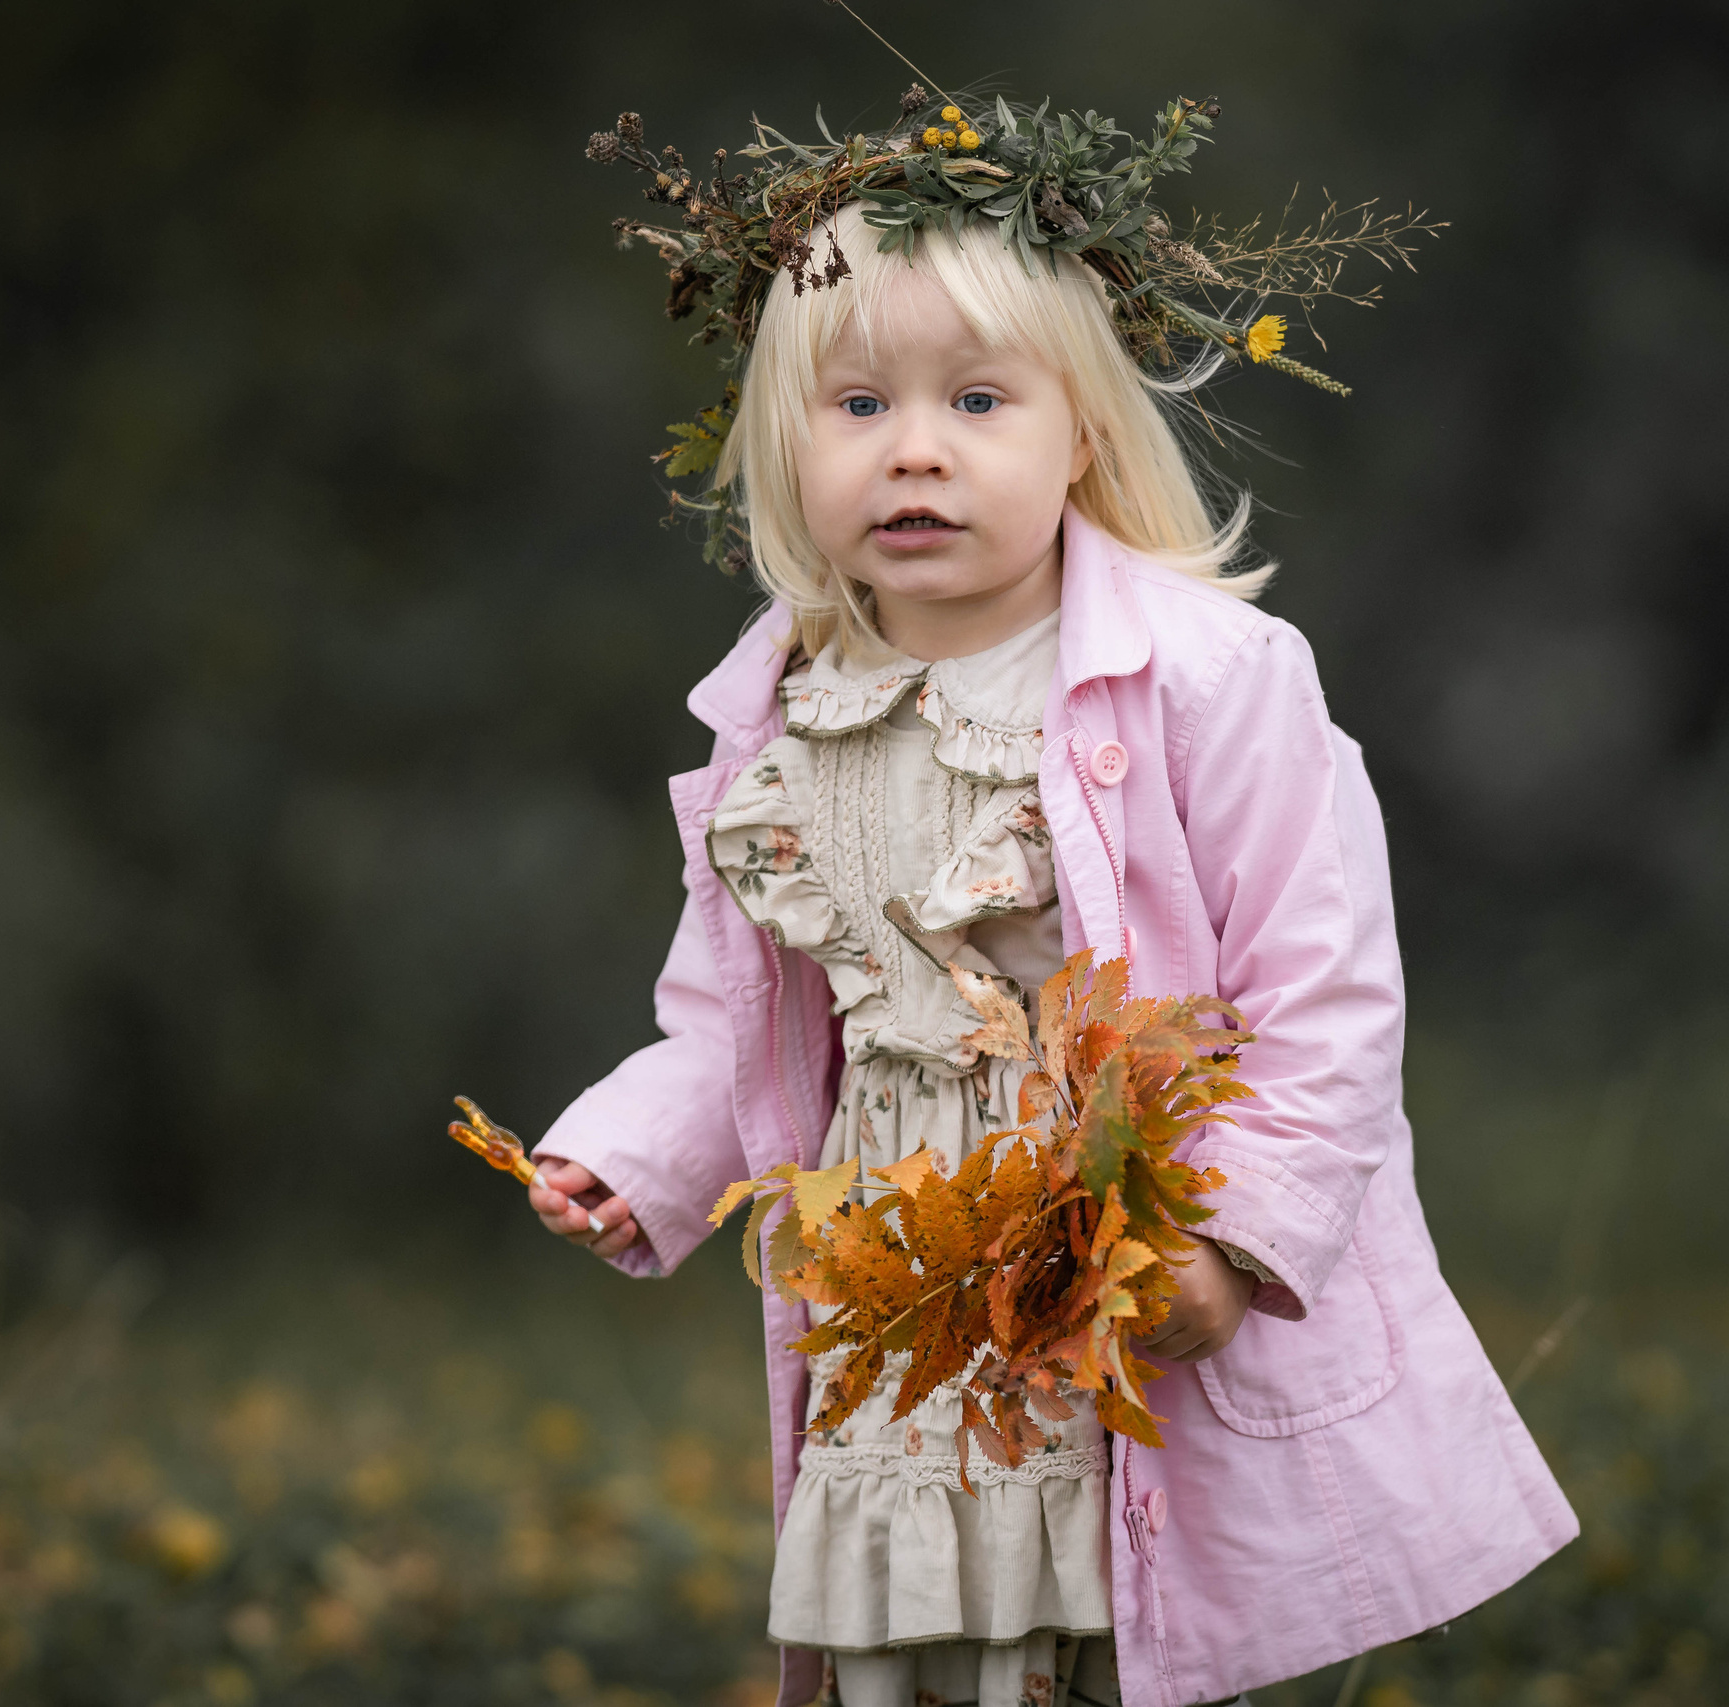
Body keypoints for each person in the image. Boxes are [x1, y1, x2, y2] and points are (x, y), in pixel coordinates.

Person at [523, 94, 1577, 1707]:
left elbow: (1327, 994)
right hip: (902, 1275)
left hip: (1105, 1247)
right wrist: (639, 1153)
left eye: (978, 400)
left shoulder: (1209, 680)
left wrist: (1227, 1242)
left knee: (1110, 1611)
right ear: (780, 444)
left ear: (1080, 428)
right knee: (921, 1640)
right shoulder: (782, 710)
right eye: (857, 402)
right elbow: (746, 1005)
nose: (914, 448)